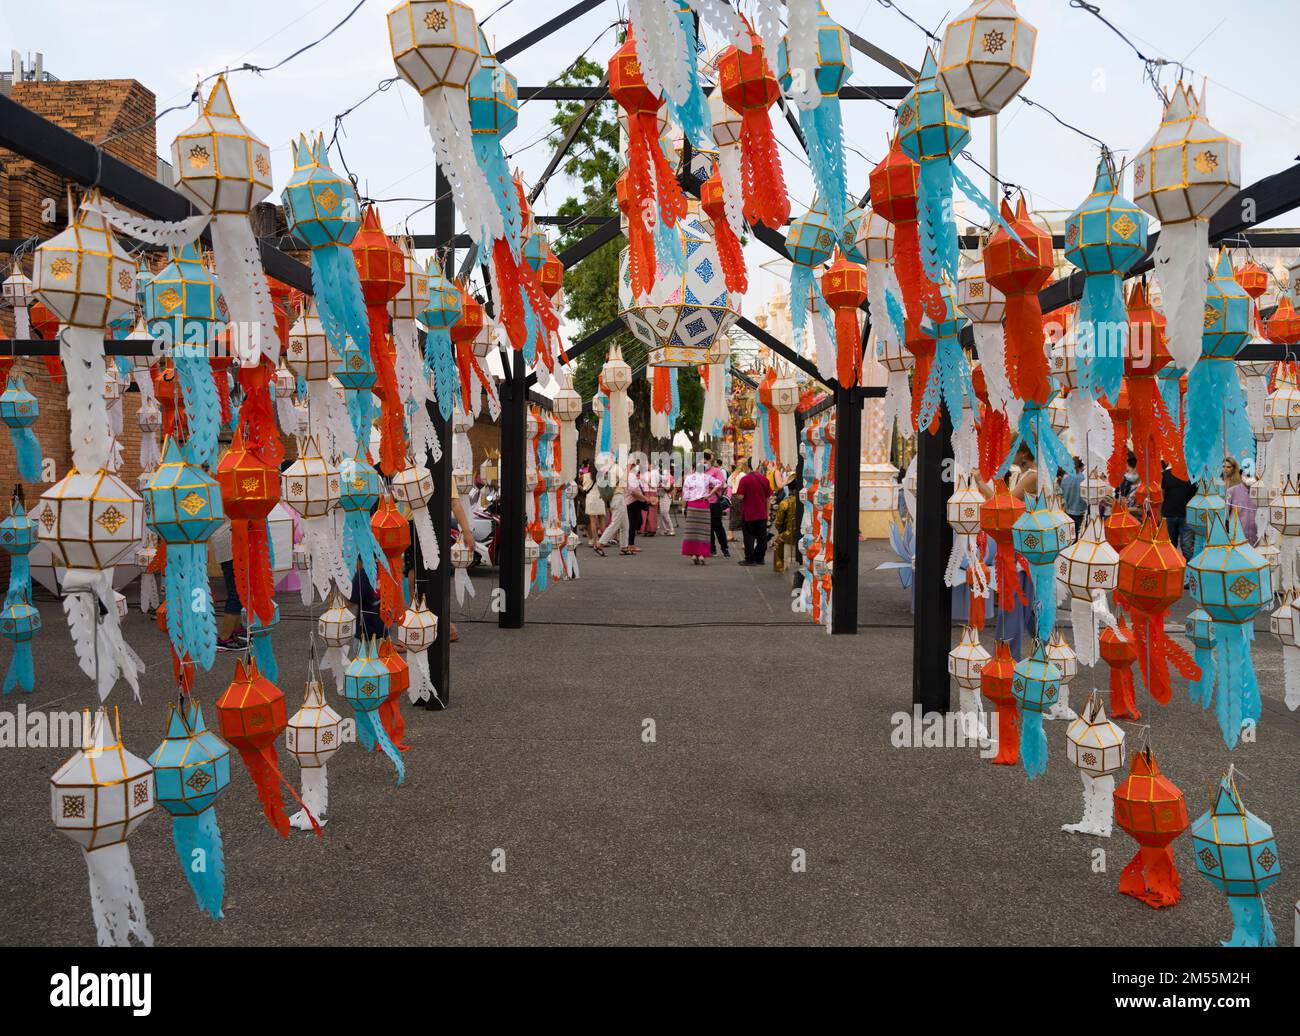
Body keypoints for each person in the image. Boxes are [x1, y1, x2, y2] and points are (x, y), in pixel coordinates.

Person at [207, 516, 246, 651]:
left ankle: (235, 629)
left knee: (238, 590)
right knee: (236, 591)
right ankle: (224, 638)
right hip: (229, 540)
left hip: (228, 538)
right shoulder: (222, 495)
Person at [681, 460, 724, 566]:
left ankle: (693, 554)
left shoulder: (689, 478)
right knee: (703, 531)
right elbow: (719, 483)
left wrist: (683, 508)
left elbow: (685, 495)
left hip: (692, 506)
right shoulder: (707, 477)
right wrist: (710, 494)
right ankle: (701, 555)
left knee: (692, 531)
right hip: (704, 505)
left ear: (694, 468)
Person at [735, 457, 773, 566]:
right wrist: (767, 512)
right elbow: (768, 498)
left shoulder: (744, 479)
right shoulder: (765, 480)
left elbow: (740, 496)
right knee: (762, 537)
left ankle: (750, 559)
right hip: (762, 513)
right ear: (759, 465)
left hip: (748, 513)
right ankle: (760, 558)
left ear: (747, 465)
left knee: (749, 537)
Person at [595, 457, 633, 556]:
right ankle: (600, 543)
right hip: (618, 498)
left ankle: (624, 547)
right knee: (615, 523)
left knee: (625, 525)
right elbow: (624, 479)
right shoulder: (616, 467)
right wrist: (628, 467)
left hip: (616, 498)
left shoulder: (610, 469)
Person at [1160, 461, 1196, 557]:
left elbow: (1197, 496)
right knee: (1169, 547)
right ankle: (1172, 569)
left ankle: (1188, 570)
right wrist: (1160, 515)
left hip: (1187, 516)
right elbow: (1161, 495)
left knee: (1187, 547)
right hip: (1169, 515)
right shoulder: (1165, 475)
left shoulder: (1193, 475)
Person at [1222, 456, 1258, 545]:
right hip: (1237, 540)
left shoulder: (1261, 493)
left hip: (1257, 540)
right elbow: (1226, 517)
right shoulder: (1232, 491)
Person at [703, 450, 730, 558]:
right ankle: (711, 548)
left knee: (717, 526)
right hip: (702, 502)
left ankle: (724, 548)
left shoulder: (716, 471)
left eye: (704, 460)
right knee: (707, 527)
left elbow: (721, 485)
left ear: (709, 459)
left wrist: (710, 491)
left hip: (714, 502)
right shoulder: (699, 471)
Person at [771, 485, 797, 573]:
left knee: (778, 543)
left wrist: (781, 532)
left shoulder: (785, 502)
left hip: (788, 534)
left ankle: (781, 567)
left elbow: (778, 522)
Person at [581, 461, 606, 547]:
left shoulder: (586, 476)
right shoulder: (601, 476)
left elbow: (585, 488)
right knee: (602, 518)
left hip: (590, 498)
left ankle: (595, 540)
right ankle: (603, 540)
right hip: (600, 498)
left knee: (592, 520)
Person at [1059, 457, 1086, 536]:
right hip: (1081, 514)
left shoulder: (1065, 479)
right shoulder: (1084, 479)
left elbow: (1062, 496)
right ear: (1082, 466)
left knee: (1070, 538)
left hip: (1068, 513)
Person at [658, 463, 676, 535]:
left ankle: (671, 528)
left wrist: (661, 484)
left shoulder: (670, 477)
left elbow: (668, 488)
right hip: (662, 495)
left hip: (666, 495)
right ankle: (666, 529)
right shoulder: (663, 477)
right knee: (662, 513)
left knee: (665, 512)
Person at [642, 462, 659, 536]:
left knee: (651, 512)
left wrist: (646, 482)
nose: (646, 466)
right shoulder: (647, 473)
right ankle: (646, 529)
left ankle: (652, 529)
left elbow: (654, 485)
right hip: (647, 492)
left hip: (651, 492)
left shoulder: (654, 472)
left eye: (647, 464)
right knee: (646, 511)